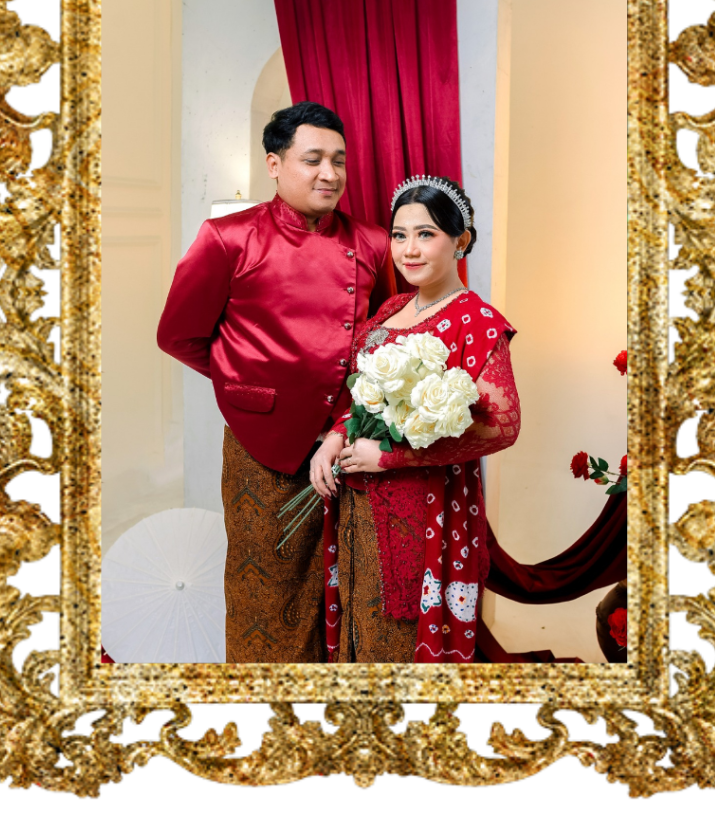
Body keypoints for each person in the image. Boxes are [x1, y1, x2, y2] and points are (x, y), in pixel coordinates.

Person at [156, 101, 392, 663]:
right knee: (263, 593)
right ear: (274, 164)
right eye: (313, 159)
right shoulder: (227, 238)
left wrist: (347, 421)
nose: (329, 173)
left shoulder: (374, 244)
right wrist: (245, 383)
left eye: (338, 160)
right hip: (260, 447)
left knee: (355, 591)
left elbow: (386, 343)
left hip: (351, 446)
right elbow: (178, 335)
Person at [310, 175, 521, 662]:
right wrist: (334, 439)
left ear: (461, 241)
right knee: (360, 628)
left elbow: (503, 425)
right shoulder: (393, 307)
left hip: (425, 509)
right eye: (400, 235)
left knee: (398, 642)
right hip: (357, 503)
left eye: (426, 234)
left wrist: (390, 457)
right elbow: (360, 396)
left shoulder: (477, 319)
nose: (409, 249)